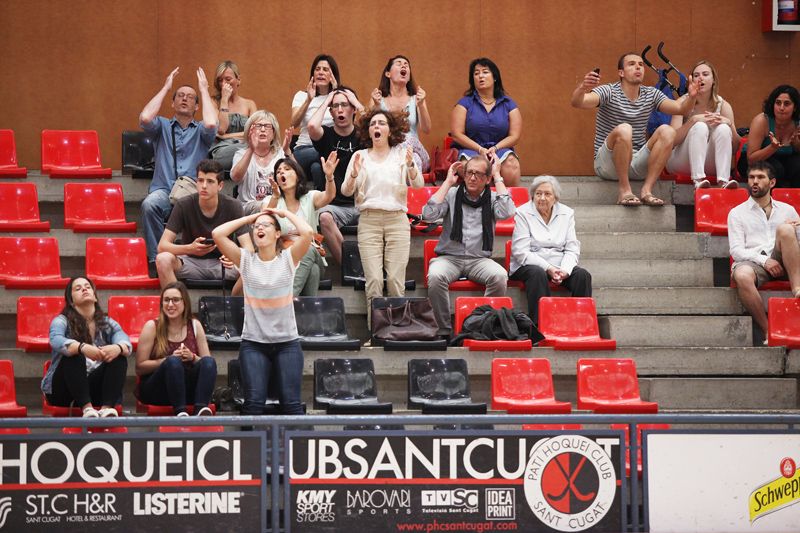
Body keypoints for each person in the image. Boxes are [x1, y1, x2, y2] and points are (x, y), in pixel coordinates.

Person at [212, 207, 313, 415]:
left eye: (265, 225)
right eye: (256, 226)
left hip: (287, 344)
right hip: (254, 344)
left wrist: (284, 214)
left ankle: (297, 447)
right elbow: (217, 234)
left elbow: (308, 234)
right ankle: (249, 446)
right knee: (254, 403)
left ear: (277, 233)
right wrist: (252, 217)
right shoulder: (246, 261)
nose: (259, 228)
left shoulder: (288, 259)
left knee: (292, 404)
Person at [571, 52, 700, 206]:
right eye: (631, 64)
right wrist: (583, 88)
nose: (638, 67)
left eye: (641, 64)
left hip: (636, 162)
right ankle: (625, 191)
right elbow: (578, 102)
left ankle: (647, 191)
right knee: (625, 129)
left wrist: (691, 97)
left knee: (668, 131)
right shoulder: (609, 91)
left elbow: (680, 108)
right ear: (621, 73)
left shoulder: (651, 94)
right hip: (607, 165)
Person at [341, 109, 423, 323]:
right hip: (369, 220)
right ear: (368, 130)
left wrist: (412, 164)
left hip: (397, 219)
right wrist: (354, 174)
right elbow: (346, 191)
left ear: (390, 130)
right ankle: (376, 332)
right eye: (373, 124)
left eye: (382, 123)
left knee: (396, 281)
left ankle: (396, 331)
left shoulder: (401, 154)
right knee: (374, 281)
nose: (376, 127)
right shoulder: (359, 156)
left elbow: (419, 185)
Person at [422, 156, 515, 337]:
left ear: (487, 179)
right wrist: (448, 183)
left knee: (499, 276)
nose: (472, 178)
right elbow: (428, 215)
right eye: (469, 173)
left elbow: (507, 211)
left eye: (478, 174)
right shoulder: (451, 194)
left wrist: (498, 176)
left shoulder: (493, 198)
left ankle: (481, 324)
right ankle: (443, 330)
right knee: (435, 276)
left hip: (479, 260)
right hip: (449, 258)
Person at [140, 67, 218, 267]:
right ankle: (156, 260)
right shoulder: (162, 126)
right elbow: (145, 118)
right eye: (180, 96)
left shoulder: (201, 130)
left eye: (190, 97)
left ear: (197, 106)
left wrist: (203, 89)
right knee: (149, 204)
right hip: (164, 191)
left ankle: (190, 262)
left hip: (194, 195)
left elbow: (211, 124)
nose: (184, 99)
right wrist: (166, 88)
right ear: (173, 102)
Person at [729, 161, 800, 339]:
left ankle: (798, 288)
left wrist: (797, 229)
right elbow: (736, 250)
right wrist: (764, 261)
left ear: (772, 182)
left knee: (785, 229)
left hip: (786, 259)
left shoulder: (787, 209)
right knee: (742, 274)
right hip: (755, 262)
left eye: (760, 177)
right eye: (751, 177)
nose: (754, 181)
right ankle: (768, 330)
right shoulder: (737, 213)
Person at [155, 159, 252, 291]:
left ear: (220, 186)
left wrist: (233, 254)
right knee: (162, 259)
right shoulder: (184, 204)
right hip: (190, 261)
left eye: (210, 181)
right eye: (200, 180)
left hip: (223, 264)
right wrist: (189, 248)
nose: (204, 186)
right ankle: (179, 307)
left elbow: (249, 249)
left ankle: (235, 306)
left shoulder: (233, 205)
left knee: (252, 264)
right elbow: (162, 246)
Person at [42, 277, 131, 418]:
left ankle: (106, 409)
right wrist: (82, 347)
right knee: (74, 354)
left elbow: (125, 342)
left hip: (92, 388)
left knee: (118, 356)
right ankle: (87, 409)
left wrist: (118, 348)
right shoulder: (61, 320)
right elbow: (55, 339)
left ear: (95, 296)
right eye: (78, 288)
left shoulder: (107, 323)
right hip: (64, 392)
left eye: (87, 287)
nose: (84, 289)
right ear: (71, 301)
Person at [509, 175, 592, 326]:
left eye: (547, 194)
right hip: (528, 264)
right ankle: (542, 326)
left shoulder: (567, 214)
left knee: (582, 276)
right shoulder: (522, 212)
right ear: (532, 195)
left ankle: (580, 324)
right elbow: (521, 252)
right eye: (538, 193)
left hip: (559, 264)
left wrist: (565, 270)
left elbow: (572, 248)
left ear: (555, 198)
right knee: (537, 273)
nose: (542, 198)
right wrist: (549, 268)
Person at [135, 282, 217, 416]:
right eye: (166, 300)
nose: (170, 304)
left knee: (209, 362)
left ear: (185, 303)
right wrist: (168, 360)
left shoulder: (195, 325)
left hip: (188, 390)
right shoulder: (152, 326)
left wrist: (192, 357)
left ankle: (201, 409)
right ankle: (181, 412)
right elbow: (139, 367)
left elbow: (206, 363)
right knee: (173, 362)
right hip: (159, 390)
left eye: (176, 300)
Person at [309, 87, 365, 265]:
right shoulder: (326, 135)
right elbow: (311, 126)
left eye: (345, 105)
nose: (340, 109)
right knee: (324, 217)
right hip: (336, 206)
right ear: (331, 112)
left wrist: (356, 102)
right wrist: (326, 101)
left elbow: (376, 122)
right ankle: (350, 269)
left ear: (353, 109)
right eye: (336, 106)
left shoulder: (363, 136)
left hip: (363, 203)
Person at [266, 156, 336, 295]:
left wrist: (329, 176)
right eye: (278, 172)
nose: (281, 173)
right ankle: (305, 314)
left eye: (286, 169)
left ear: (298, 176)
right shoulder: (271, 200)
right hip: (283, 258)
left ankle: (285, 300)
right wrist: (274, 197)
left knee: (307, 249)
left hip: (311, 252)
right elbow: (264, 220)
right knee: (314, 271)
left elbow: (329, 196)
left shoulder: (310, 197)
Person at [666, 60, 740, 189]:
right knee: (700, 126)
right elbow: (671, 141)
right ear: (691, 81)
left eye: (705, 74)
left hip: (709, 163)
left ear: (713, 80)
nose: (700, 78)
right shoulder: (682, 102)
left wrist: (729, 124)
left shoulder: (723, 105)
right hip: (681, 161)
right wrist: (692, 121)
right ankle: (698, 180)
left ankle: (723, 181)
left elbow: (735, 148)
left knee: (723, 128)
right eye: (696, 75)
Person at [451, 58, 522, 187]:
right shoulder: (464, 103)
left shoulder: (509, 104)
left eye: (485, 72)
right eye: (476, 73)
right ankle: (480, 203)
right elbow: (456, 134)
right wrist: (480, 149)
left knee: (512, 165)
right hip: (471, 149)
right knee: (473, 168)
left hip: (500, 149)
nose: (480, 76)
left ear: (495, 77)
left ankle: (508, 203)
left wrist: (495, 148)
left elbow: (515, 136)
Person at [369, 55, 431, 172]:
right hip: (386, 153)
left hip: (414, 150)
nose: (404, 65)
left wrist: (421, 104)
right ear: (388, 74)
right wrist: (376, 106)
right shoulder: (377, 99)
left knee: (410, 147)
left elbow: (427, 129)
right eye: (398, 63)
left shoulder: (416, 98)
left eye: (406, 65)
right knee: (408, 160)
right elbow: (369, 129)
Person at [290, 54, 339, 190]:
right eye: (317, 69)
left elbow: (344, 124)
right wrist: (309, 100)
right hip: (304, 150)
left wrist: (335, 93)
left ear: (333, 75)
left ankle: (318, 205)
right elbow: (294, 123)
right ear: (312, 73)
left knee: (317, 168)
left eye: (325, 69)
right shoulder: (301, 96)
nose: (321, 73)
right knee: (323, 156)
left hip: (325, 151)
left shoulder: (338, 97)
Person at [737, 85, 800, 188]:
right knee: (775, 169)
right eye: (778, 103)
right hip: (751, 161)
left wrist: (796, 144)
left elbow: (797, 151)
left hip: (783, 160)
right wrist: (772, 148)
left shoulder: (797, 123)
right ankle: (771, 202)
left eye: (787, 104)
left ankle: (796, 201)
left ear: (795, 107)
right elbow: (751, 159)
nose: (781, 108)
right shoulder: (762, 120)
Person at [231, 110, 290, 215]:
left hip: (278, 205)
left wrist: (288, 153)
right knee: (266, 206)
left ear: (273, 133)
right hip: (249, 207)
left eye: (267, 126)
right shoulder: (241, 154)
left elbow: (297, 180)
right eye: (258, 126)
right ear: (250, 131)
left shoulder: (280, 154)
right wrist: (251, 149)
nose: (262, 129)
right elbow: (235, 177)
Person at [208, 60, 258, 170]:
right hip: (222, 150)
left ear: (238, 80)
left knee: (261, 145)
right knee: (256, 149)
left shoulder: (250, 104)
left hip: (246, 146)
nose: (224, 83)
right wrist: (224, 99)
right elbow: (221, 129)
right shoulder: (213, 102)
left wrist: (226, 136)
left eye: (228, 79)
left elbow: (255, 133)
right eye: (220, 80)